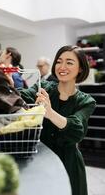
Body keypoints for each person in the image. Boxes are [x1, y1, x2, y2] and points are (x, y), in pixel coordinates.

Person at [20, 45, 96, 195]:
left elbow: (76, 129)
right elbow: (19, 97)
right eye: (59, 61)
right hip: (40, 160)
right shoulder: (43, 88)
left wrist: (50, 113)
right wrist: (8, 84)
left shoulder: (86, 101)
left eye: (69, 62)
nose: (62, 67)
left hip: (70, 164)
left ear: (80, 68)